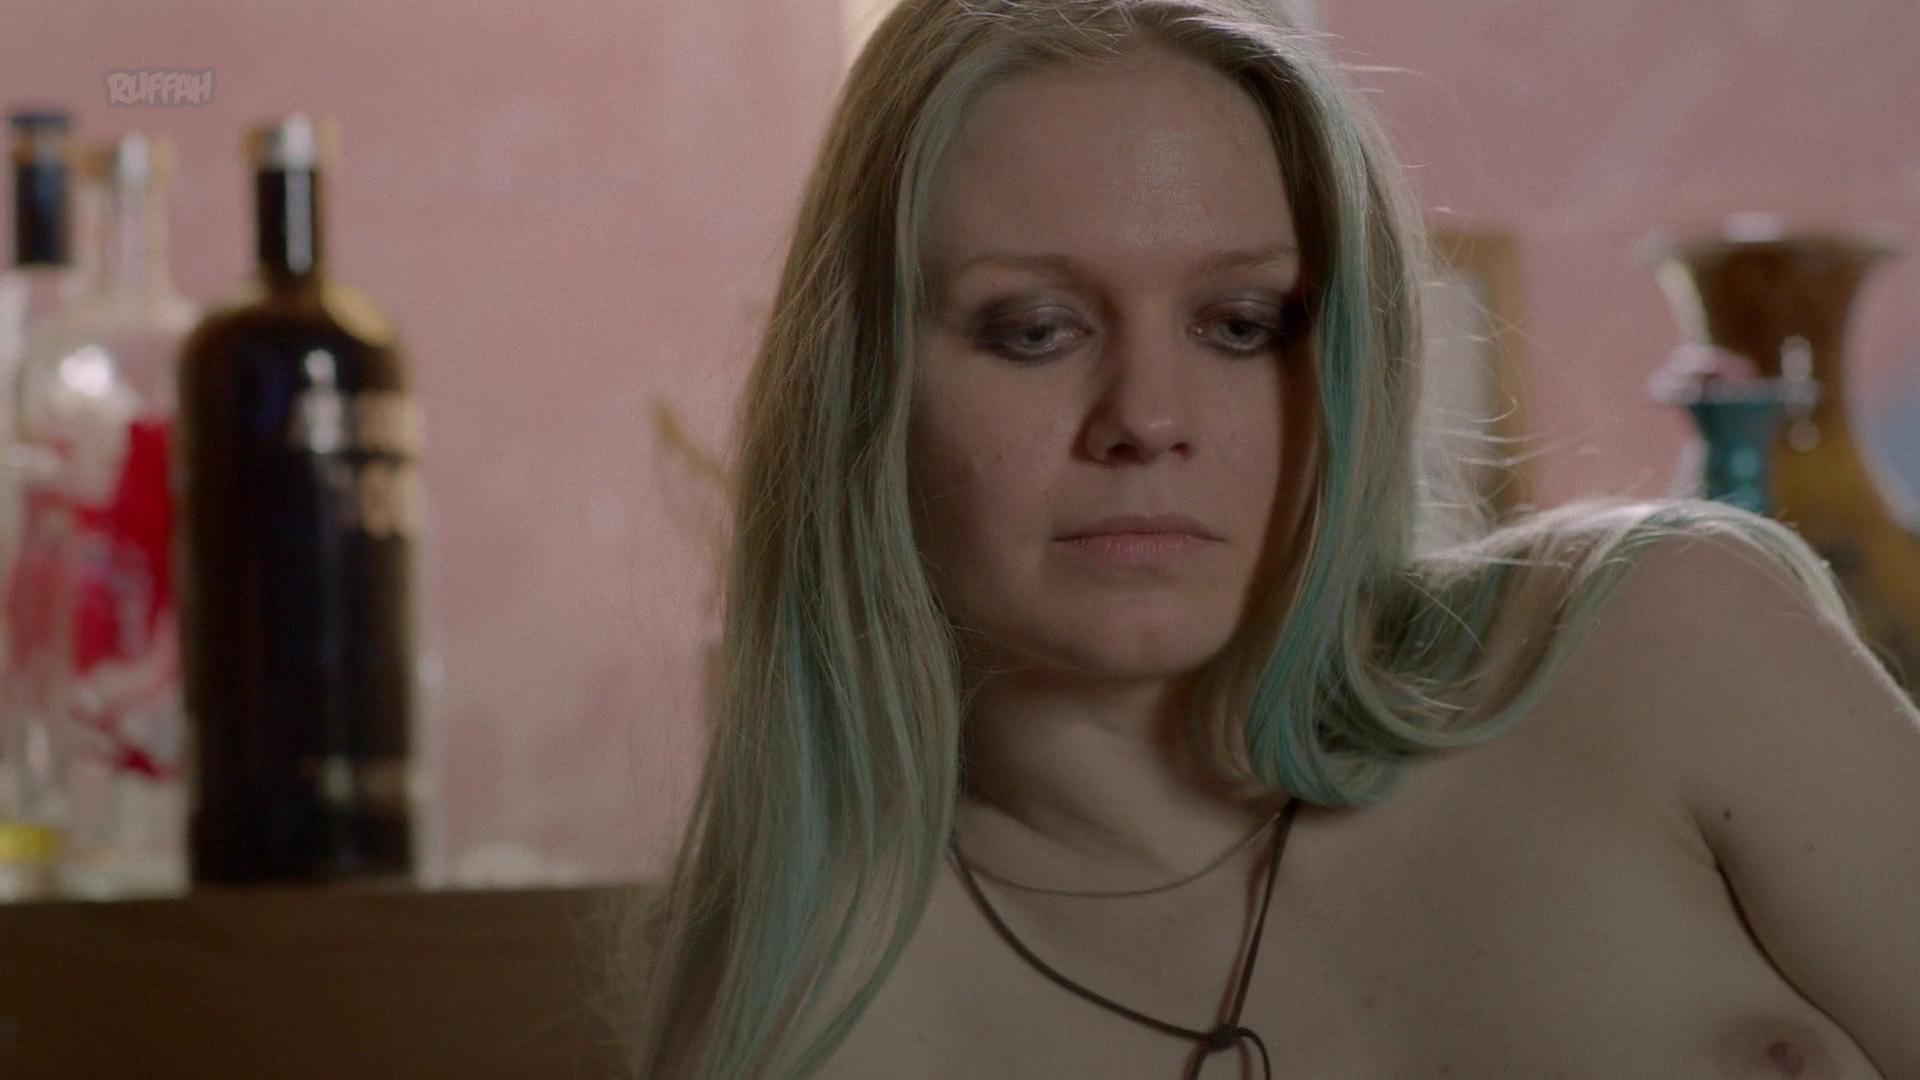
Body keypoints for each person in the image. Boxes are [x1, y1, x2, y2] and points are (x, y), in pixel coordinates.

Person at [614, 1, 1920, 1076]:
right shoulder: (808, 1019)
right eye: (1034, 330)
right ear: (862, 392)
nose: (1147, 418)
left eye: (1242, 326)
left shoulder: (1666, 646)